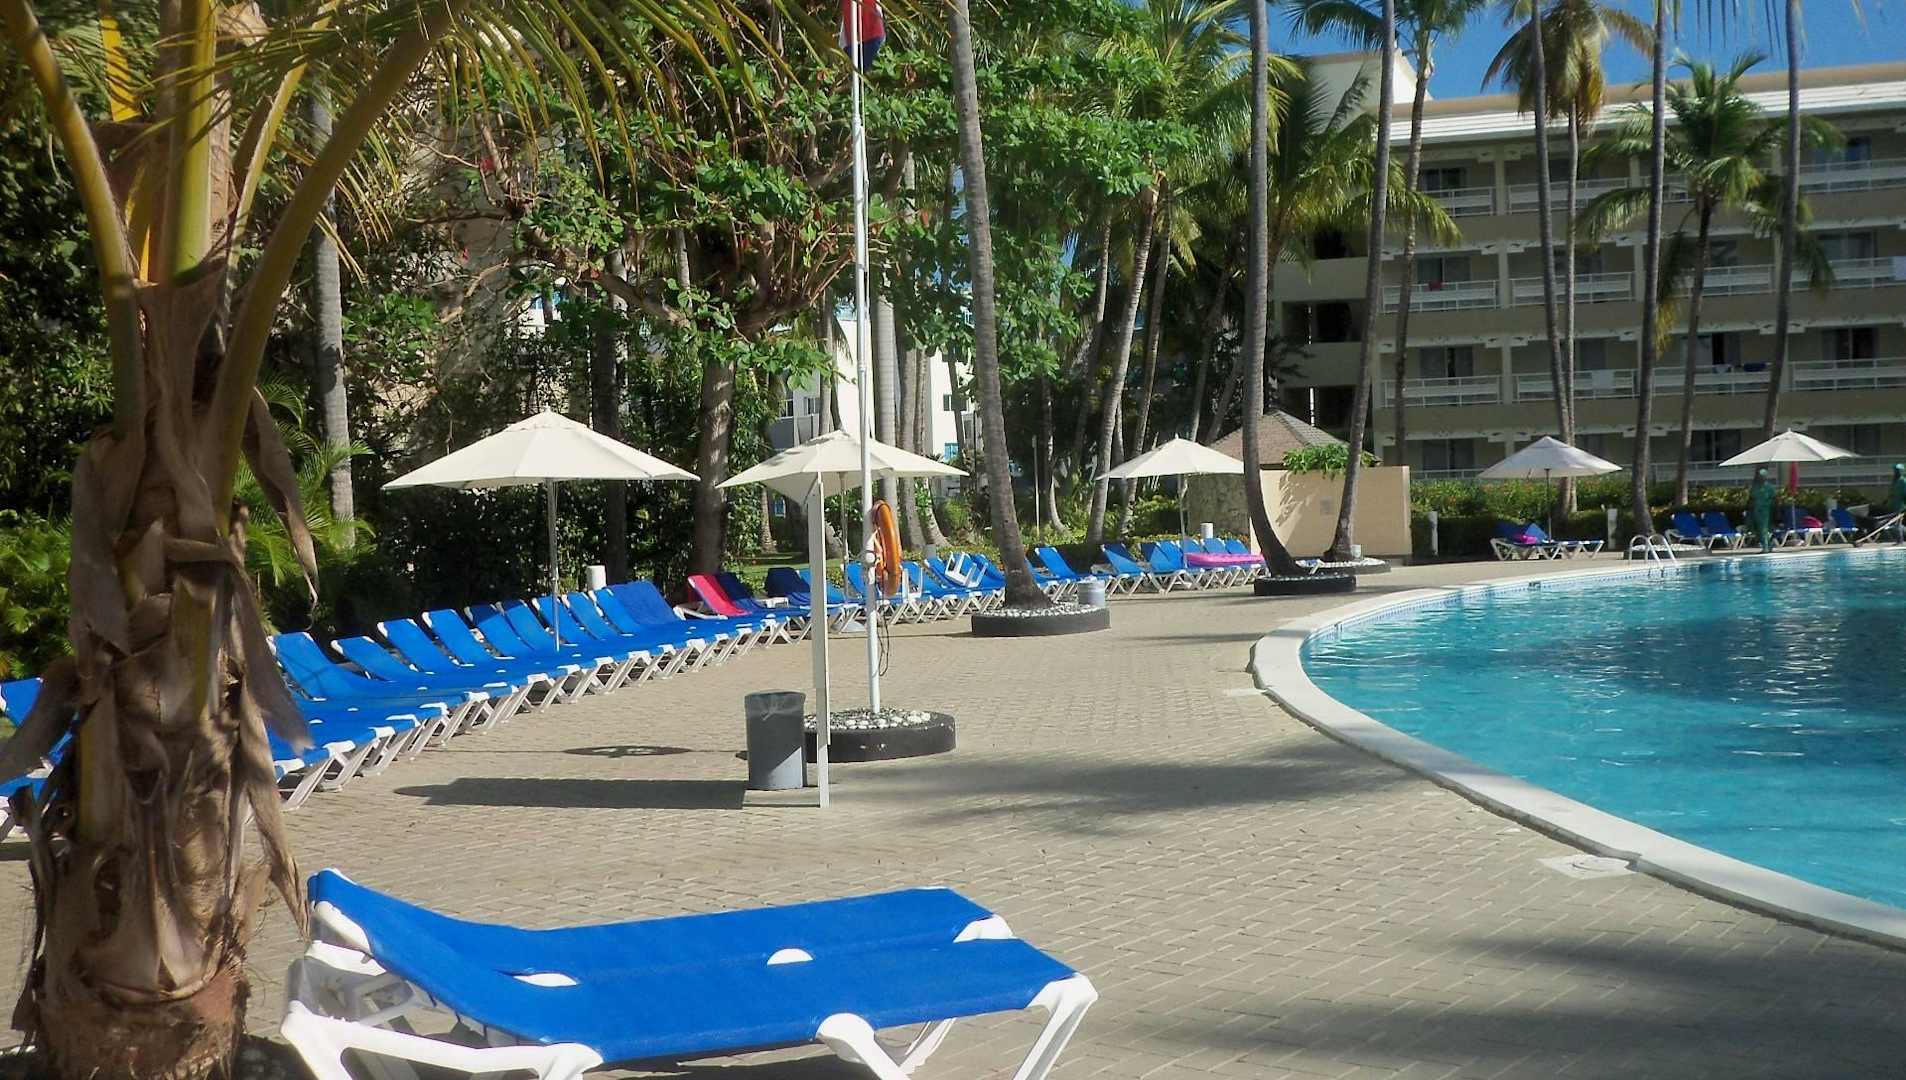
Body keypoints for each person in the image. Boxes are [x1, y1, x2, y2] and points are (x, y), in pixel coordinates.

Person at [1749, 467, 1777, 553]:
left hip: (1766, 511)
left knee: (1763, 529)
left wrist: (1774, 510)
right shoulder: (1755, 487)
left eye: (1762, 476)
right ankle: (1768, 545)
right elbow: (1751, 498)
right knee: (1757, 530)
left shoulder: (1769, 487)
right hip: (1756, 510)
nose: (1760, 478)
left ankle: (1766, 547)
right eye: (1759, 476)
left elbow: (1774, 499)